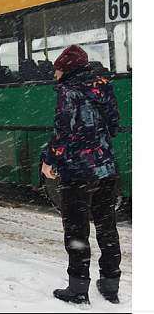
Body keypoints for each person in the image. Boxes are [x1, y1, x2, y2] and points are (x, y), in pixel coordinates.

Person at [41, 45, 121, 305]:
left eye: (57, 69)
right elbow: (115, 126)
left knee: (76, 231)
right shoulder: (103, 85)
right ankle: (110, 285)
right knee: (106, 226)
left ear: (67, 69)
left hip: (77, 172)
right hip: (106, 168)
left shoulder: (69, 92)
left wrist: (49, 160)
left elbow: (62, 132)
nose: (55, 74)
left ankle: (77, 290)